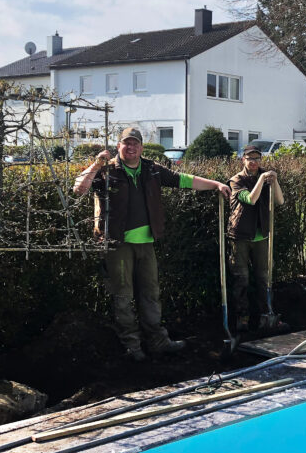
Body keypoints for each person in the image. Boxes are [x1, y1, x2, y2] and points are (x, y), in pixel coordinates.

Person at [74, 126, 231, 361]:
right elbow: (79, 188)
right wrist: (97, 164)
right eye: (126, 143)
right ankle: (132, 345)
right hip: (118, 244)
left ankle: (157, 341)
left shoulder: (151, 169)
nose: (131, 147)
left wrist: (216, 184)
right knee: (123, 296)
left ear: (141, 147)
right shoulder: (107, 171)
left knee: (150, 293)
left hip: (146, 243)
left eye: (135, 143)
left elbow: (183, 180)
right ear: (119, 146)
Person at [227, 144, 285, 332]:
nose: (253, 162)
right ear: (243, 160)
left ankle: (267, 315)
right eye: (249, 159)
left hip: (262, 236)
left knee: (264, 278)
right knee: (241, 278)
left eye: (256, 159)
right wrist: (261, 179)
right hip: (240, 236)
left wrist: (274, 181)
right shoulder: (236, 180)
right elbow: (250, 200)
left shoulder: (266, 178)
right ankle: (242, 318)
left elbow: (280, 201)